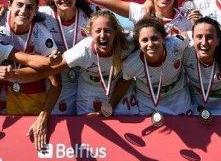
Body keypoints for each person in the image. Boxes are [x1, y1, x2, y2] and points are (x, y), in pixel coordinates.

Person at [2, 10, 138, 116]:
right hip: (88, 95)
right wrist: (13, 74)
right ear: (90, 33)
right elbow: (44, 72)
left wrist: (111, 105)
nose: (103, 35)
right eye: (98, 31)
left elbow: (128, 76)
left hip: (120, 95)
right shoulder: (83, 50)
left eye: (108, 31)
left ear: (115, 32)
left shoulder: (129, 44)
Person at [0, 0, 61, 150]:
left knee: (23, 148)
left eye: (29, 7)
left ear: (36, 11)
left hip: (28, 94)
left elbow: (56, 80)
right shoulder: (0, 21)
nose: (23, 11)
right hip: (3, 90)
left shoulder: (41, 34)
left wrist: (44, 116)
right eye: (19, 5)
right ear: (9, 5)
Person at [39, 0, 97, 115]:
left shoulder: (93, 15)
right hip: (59, 82)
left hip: (89, 81)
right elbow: (16, 14)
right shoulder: (41, 15)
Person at [109, 16, 192, 116]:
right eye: (144, 40)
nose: (150, 44)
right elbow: (124, 84)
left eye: (154, 38)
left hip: (178, 97)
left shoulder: (176, 44)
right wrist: (110, 106)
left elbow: (188, 35)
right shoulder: (131, 64)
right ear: (139, 44)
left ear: (163, 38)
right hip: (147, 102)